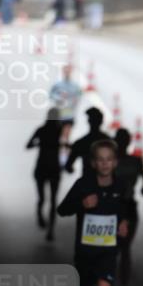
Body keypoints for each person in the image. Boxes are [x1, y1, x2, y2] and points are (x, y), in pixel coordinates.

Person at [57, 140, 129, 286]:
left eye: (109, 159)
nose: (105, 164)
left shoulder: (121, 185)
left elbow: (124, 210)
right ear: (93, 163)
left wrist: (124, 223)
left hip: (108, 251)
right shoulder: (83, 184)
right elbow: (62, 209)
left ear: (115, 162)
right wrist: (82, 204)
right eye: (100, 160)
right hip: (85, 252)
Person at [114, 127, 143, 286]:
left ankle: (110, 283)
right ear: (129, 142)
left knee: (113, 249)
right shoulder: (136, 161)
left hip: (113, 208)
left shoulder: (110, 161)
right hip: (128, 208)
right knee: (125, 248)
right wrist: (141, 188)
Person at [26, 107, 63, 241]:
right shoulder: (60, 131)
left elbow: (28, 145)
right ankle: (50, 230)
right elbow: (65, 146)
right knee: (53, 200)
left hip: (41, 167)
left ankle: (40, 216)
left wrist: (40, 143)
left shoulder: (41, 130)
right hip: (54, 168)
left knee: (42, 198)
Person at [64, 106, 105, 176]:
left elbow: (68, 167)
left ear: (88, 121)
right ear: (101, 121)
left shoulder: (81, 142)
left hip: (87, 179)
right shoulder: (109, 142)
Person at [49, 63, 82, 138]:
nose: (67, 73)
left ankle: (65, 143)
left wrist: (75, 100)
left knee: (66, 134)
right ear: (63, 72)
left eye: (68, 71)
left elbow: (79, 96)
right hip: (59, 113)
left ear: (71, 72)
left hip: (69, 114)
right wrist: (59, 98)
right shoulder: (57, 85)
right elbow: (51, 95)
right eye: (65, 71)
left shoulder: (75, 86)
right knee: (58, 135)